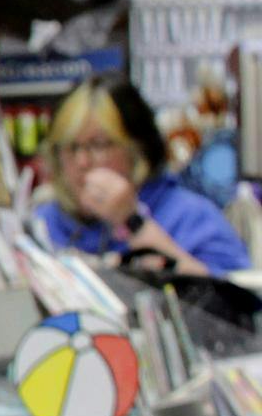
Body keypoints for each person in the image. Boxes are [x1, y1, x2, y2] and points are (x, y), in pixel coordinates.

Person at [37, 74, 250, 277]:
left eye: (98, 145)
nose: (82, 162)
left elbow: (236, 300)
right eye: (71, 147)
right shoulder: (44, 223)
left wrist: (132, 222)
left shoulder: (190, 216)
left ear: (137, 151)